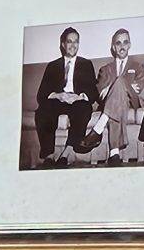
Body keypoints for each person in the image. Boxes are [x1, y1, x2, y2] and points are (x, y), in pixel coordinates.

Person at [32, 27, 99, 164]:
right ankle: (49, 155)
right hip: (58, 101)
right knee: (43, 110)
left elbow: (93, 93)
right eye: (69, 41)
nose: (73, 45)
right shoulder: (52, 66)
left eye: (76, 41)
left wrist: (80, 96)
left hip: (77, 101)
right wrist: (58, 95)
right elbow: (42, 95)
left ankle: (66, 153)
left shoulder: (86, 64)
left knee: (84, 108)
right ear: (63, 44)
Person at [95, 27, 144, 164]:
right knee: (115, 103)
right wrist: (119, 87)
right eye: (118, 43)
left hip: (132, 102)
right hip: (114, 104)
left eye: (125, 42)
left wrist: (114, 85)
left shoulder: (138, 67)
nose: (122, 46)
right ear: (113, 47)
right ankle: (114, 154)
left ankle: (99, 126)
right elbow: (101, 94)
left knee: (119, 82)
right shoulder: (105, 69)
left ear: (129, 45)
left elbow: (136, 89)